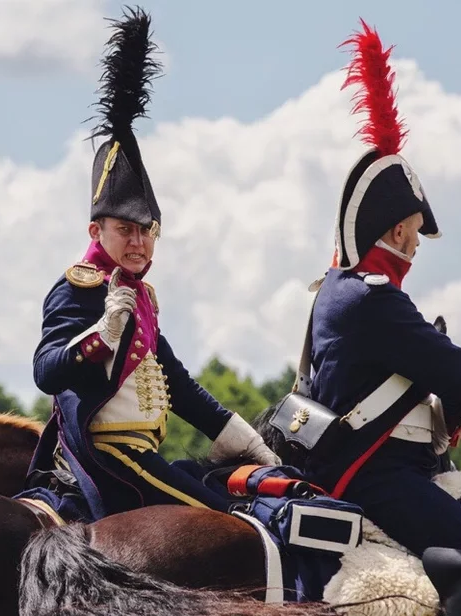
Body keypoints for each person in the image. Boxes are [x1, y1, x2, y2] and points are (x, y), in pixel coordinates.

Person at [19, 6, 279, 523]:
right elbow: (45, 370)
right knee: (226, 526)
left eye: (146, 230)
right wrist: (102, 332)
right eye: (125, 230)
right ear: (97, 231)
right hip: (104, 455)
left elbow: (177, 385)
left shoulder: (142, 295)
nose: (138, 243)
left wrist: (243, 437)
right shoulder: (79, 287)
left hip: (141, 451)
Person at [300, 21, 461, 563]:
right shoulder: (373, 297)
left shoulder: (336, 288)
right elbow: (459, 372)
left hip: (366, 465)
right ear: (396, 231)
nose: (416, 246)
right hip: (377, 473)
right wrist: (459, 412)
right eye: (414, 233)